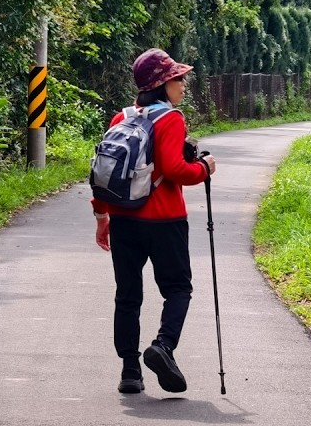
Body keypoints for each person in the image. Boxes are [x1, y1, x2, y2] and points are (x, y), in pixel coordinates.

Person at [93, 48, 217, 395]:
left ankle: (130, 371)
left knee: (128, 295)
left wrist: (102, 216)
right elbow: (176, 170)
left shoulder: (122, 118)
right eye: (179, 77)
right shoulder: (171, 119)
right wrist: (204, 168)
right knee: (178, 289)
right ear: (164, 83)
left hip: (123, 219)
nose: (183, 83)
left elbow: (106, 172)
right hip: (165, 220)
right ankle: (163, 347)